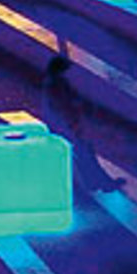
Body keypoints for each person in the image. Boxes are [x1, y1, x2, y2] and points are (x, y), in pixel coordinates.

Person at [42, 54, 123, 194]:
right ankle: (102, 183)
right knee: (85, 152)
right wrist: (73, 122)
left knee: (83, 153)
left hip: (64, 125)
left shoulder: (53, 82)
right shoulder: (56, 84)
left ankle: (95, 182)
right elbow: (63, 105)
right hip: (67, 125)